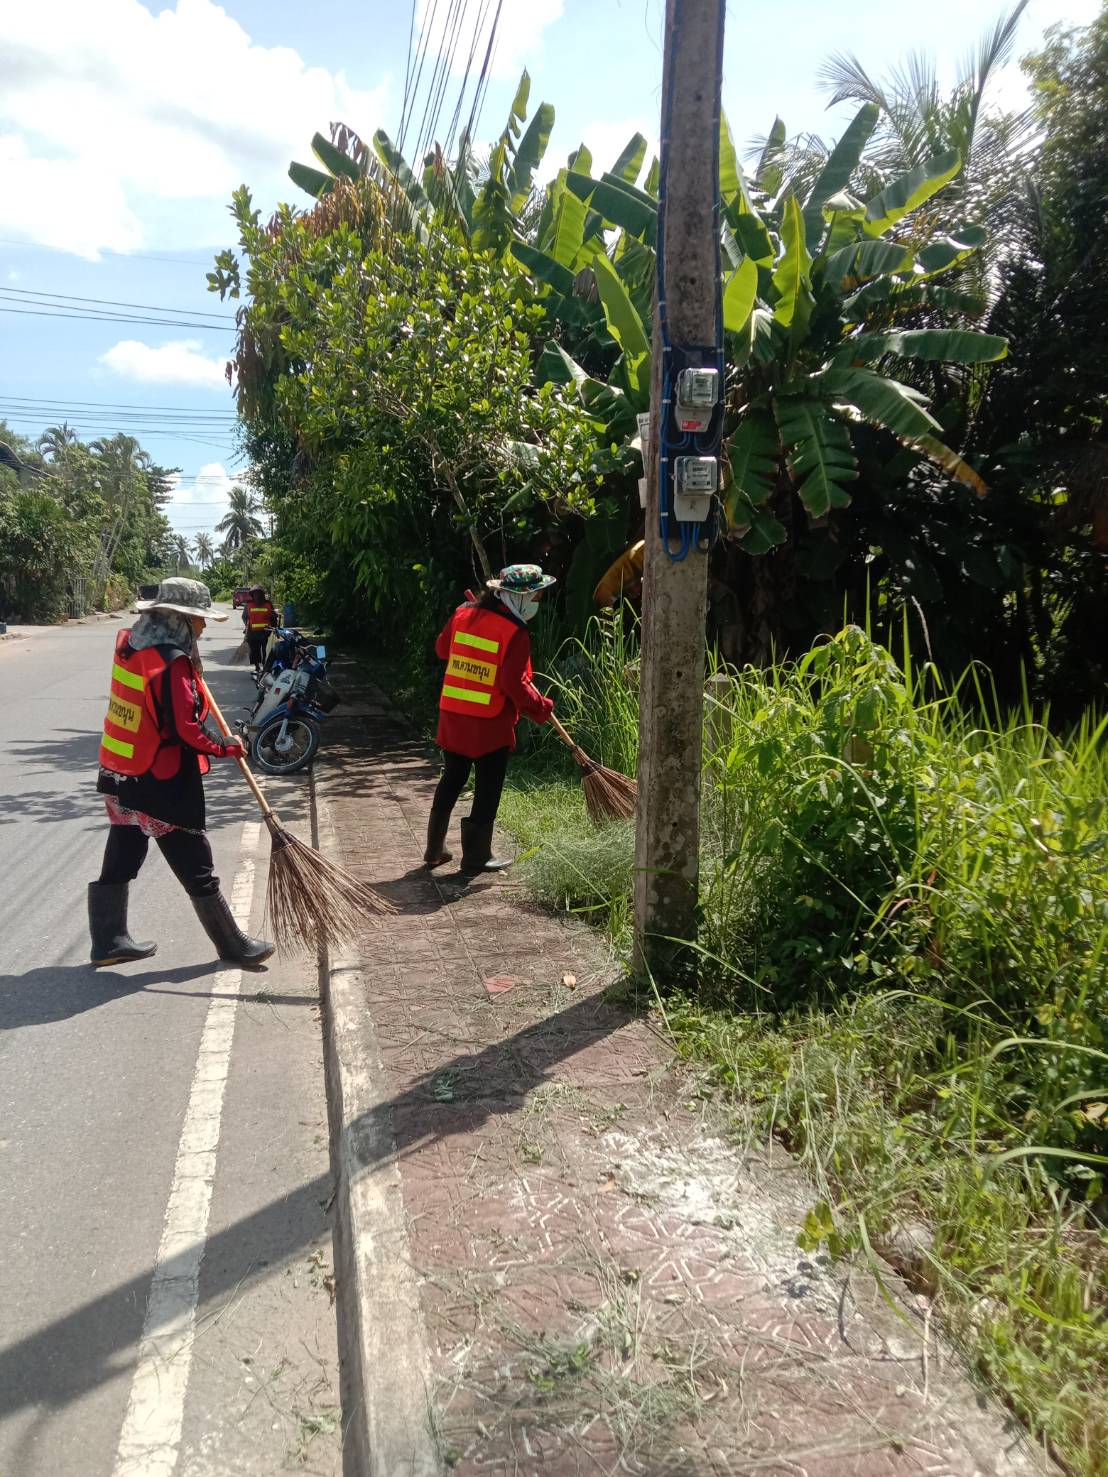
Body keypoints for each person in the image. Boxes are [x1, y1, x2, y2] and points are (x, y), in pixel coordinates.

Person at [90, 577, 274, 967]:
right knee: (194, 858)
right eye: (197, 621)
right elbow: (183, 731)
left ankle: (109, 941)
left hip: (119, 772)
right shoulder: (171, 662)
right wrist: (226, 745)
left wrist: (190, 667)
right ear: (176, 619)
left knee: (124, 848)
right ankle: (233, 945)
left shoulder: (130, 645)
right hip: (158, 782)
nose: (203, 628)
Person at [426, 564, 556, 873]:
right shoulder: (515, 631)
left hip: (454, 715)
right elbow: (514, 684)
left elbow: (442, 649)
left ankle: (434, 848)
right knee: (488, 786)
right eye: (536, 596)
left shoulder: (463, 613)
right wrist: (541, 706)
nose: (537, 602)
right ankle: (477, 856)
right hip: (488, 721)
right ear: (519, 597)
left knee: (452, 778)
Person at [242, 585, 277, 674]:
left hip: (266, 632)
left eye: (258, 593)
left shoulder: (268, 604)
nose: (257, 595)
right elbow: (244, 617)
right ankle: (257, 666)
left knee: (266, 650)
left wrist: (275, 627)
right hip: (253, 632)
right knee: (254, 650)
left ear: (262, 594)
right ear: (252, 595)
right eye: (255, 594)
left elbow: (273, 617)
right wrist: (247, 626)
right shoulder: (249, 605)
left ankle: (265, 665)